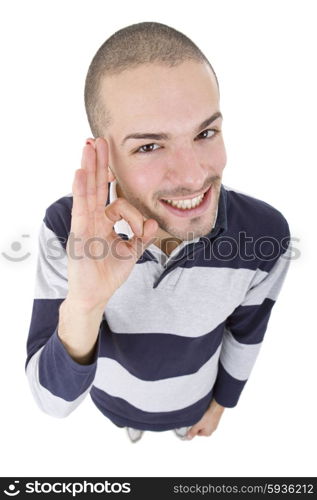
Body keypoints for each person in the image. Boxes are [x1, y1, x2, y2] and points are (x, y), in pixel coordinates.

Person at [25, 22, 292, 443]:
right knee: (127, 423)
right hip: (112, 403)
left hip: (194, 402)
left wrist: (224, 401)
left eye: (206, 133)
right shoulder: (66, 229)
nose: (193, 176)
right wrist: (87, 303)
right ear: (104, 158)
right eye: (149, 146)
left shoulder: (266, 233)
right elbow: (53, 402)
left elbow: (246, 334)